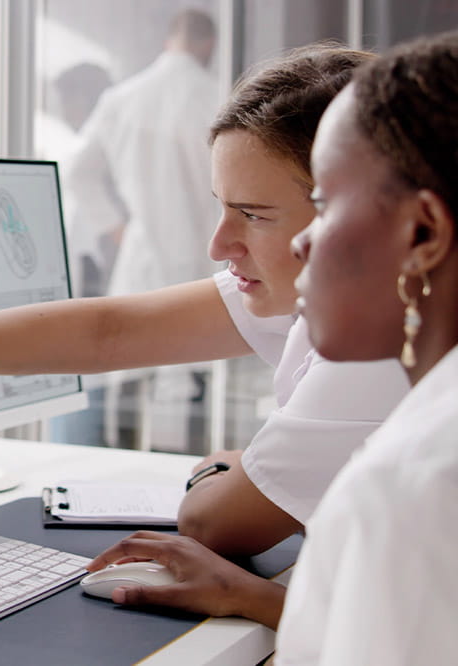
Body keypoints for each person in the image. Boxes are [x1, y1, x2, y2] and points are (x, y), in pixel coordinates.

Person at [0, 44, 408, 558]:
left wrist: (234, 467)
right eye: (221, 208)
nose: (218, 244)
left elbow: (215, 522)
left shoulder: (375, 347)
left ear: (358, 213)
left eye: (254, 215)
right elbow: (109, 331)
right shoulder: (342, 297)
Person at [86, 31, 458, 663]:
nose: (307, 242)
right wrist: (262, 601)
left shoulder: (410, 483)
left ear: (423, 232)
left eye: (327, 205)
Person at [59, 9, 220, 448]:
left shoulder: (123, 98)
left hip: (142, 255)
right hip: (202, 259)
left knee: (130, 380)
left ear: (169, 40)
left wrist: (116, 227)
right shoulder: (217, 98)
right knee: (192, 383)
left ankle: (124, 477)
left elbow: (77, 172)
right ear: (208, 46)